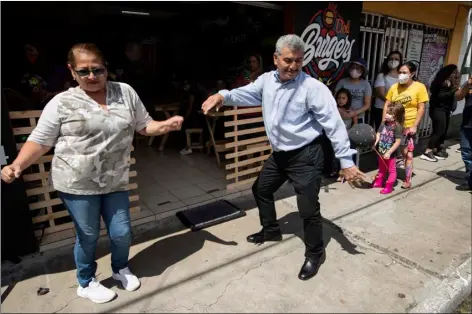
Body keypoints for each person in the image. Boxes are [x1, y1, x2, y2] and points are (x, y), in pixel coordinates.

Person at [1, 43, 183, 304]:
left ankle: (120, 268)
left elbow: (145, 126)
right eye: (83, 71)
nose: (91, 76)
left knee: (121, 232)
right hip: (76, 182)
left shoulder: (125, 92)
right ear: (71, 71)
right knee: (88, 235)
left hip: (115, 179)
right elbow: (40, 140)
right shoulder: (62, 102)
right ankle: (86, 282)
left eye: (97, 70)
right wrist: (17, 164)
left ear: (106, 68)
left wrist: (163, 126)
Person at [201, 34, 365, 281]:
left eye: (298, 61)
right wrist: (222, 96)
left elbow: (334, 125)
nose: (293, 66)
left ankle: (315, 253)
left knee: (308, 209)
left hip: (307, 154)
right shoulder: (266, 81)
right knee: (261, 189)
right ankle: (271, 231)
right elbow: (244, 94)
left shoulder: (313, 88)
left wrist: (346, 162)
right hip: (280, 154)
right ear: (275, 58)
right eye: (288, 60)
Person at [383, 61, 429, 189]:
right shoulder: (394, 87)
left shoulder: (419, 87)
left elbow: (421, 108)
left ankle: (407, 179)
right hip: (393, 126)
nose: (401, 75)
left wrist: (415, 125)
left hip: (408, 127)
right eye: (400, 72)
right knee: (388, 151)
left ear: (412, 74)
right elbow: (387, 104)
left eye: (405, 73)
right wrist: (384, 122)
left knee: (407, 154)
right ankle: (385, 174)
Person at [421, 65, 471, 162]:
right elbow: (442, 96)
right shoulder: (443, 83)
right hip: (438, 110)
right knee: (439, 131)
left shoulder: (448, 83)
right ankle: (428, 151)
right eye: (455, 73)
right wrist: (453, 91)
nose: (456, 75)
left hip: (445, 110)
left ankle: (437, 149)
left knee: (442, 131)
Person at [372, 103, 405, 194]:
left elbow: (397, 142)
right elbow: (378, 134)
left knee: (391, 170)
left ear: (396, 116)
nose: (386, 115)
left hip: (390, 153)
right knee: (381, 167)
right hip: (381, 150)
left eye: (390, 114)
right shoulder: (383, 123)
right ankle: (379, 182)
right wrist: (375, 143)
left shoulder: (397, 127)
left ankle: (389, 186)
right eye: (386, 112)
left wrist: (389, 152)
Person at [335, 57, 372, 124]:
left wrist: (355, 113)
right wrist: (340, 110)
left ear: (362, 70)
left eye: (357, 68)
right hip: (342, 117)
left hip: (359, 117)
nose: (354, 70)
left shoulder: (365, 84)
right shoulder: (342, 82)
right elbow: (334, 99)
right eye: (352, 67)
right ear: (349, 69)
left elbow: (367, 105)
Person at [330, 88, 357, 178]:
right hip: (336, 135)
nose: (341, 100)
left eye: (343, 98)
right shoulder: (334, 109)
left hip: (348, 135)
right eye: (339, 98)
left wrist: (349, 132)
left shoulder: (352, 110)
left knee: (347, 153)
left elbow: (355, 123)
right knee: (335, 154)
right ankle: (336, 171)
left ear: (348, 99)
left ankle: (347, 172)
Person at [372, 51, 403, 131]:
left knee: (394, 135)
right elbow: (380, 93)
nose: (393, 61)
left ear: (400, 62)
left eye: (396, 59)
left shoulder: (403, 77)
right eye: (391, 59)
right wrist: (393, 105)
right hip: (381, 109)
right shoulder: (382, 75)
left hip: (397, 110)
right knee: (381, 133)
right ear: (387, 60)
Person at [457, 76, 472, 192]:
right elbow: (458, 96)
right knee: (466, 154)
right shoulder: (469, 86)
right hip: (467, 125)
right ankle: (469, 181)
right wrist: (468, 83)